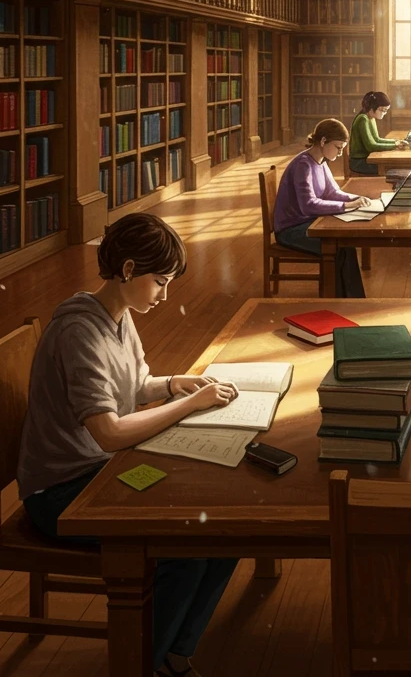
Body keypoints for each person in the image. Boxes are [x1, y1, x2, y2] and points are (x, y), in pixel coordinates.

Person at [17, 213, 241, 677]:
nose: (164, 295)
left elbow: (135, 385)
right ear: (128, 269)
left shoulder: (116, 315)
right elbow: (110, 432)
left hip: (99, 471)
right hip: (60, 492)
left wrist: (173, 384)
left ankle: (172, 655)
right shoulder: (79, 331)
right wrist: (188, 405)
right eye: (160, 282)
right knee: (183, 549)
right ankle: (144, 664)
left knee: (222, 528)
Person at [274, 117, 369, 297]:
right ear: (323, 141)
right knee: (339, 248)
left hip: (308, 224)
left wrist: (357, 198)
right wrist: (346, 206)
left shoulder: (321, 162)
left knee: (345, 246)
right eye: (338, 147)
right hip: (291, 229)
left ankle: (351, 301)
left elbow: (333, 192)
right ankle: (341, 300)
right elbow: (308, 206)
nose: (340, 153)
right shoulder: (303, 165)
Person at [348, 90, 409, 175]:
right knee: (393, 167)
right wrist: (395, 145)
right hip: (359, 162)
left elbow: (377, 139)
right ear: (372, 107)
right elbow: (371, 146)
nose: (385, 113)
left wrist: (396, 142)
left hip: (367, 159)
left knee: (394, 166)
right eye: (383, 110)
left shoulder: (371, 118)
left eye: (386, 110)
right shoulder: (363, 119)